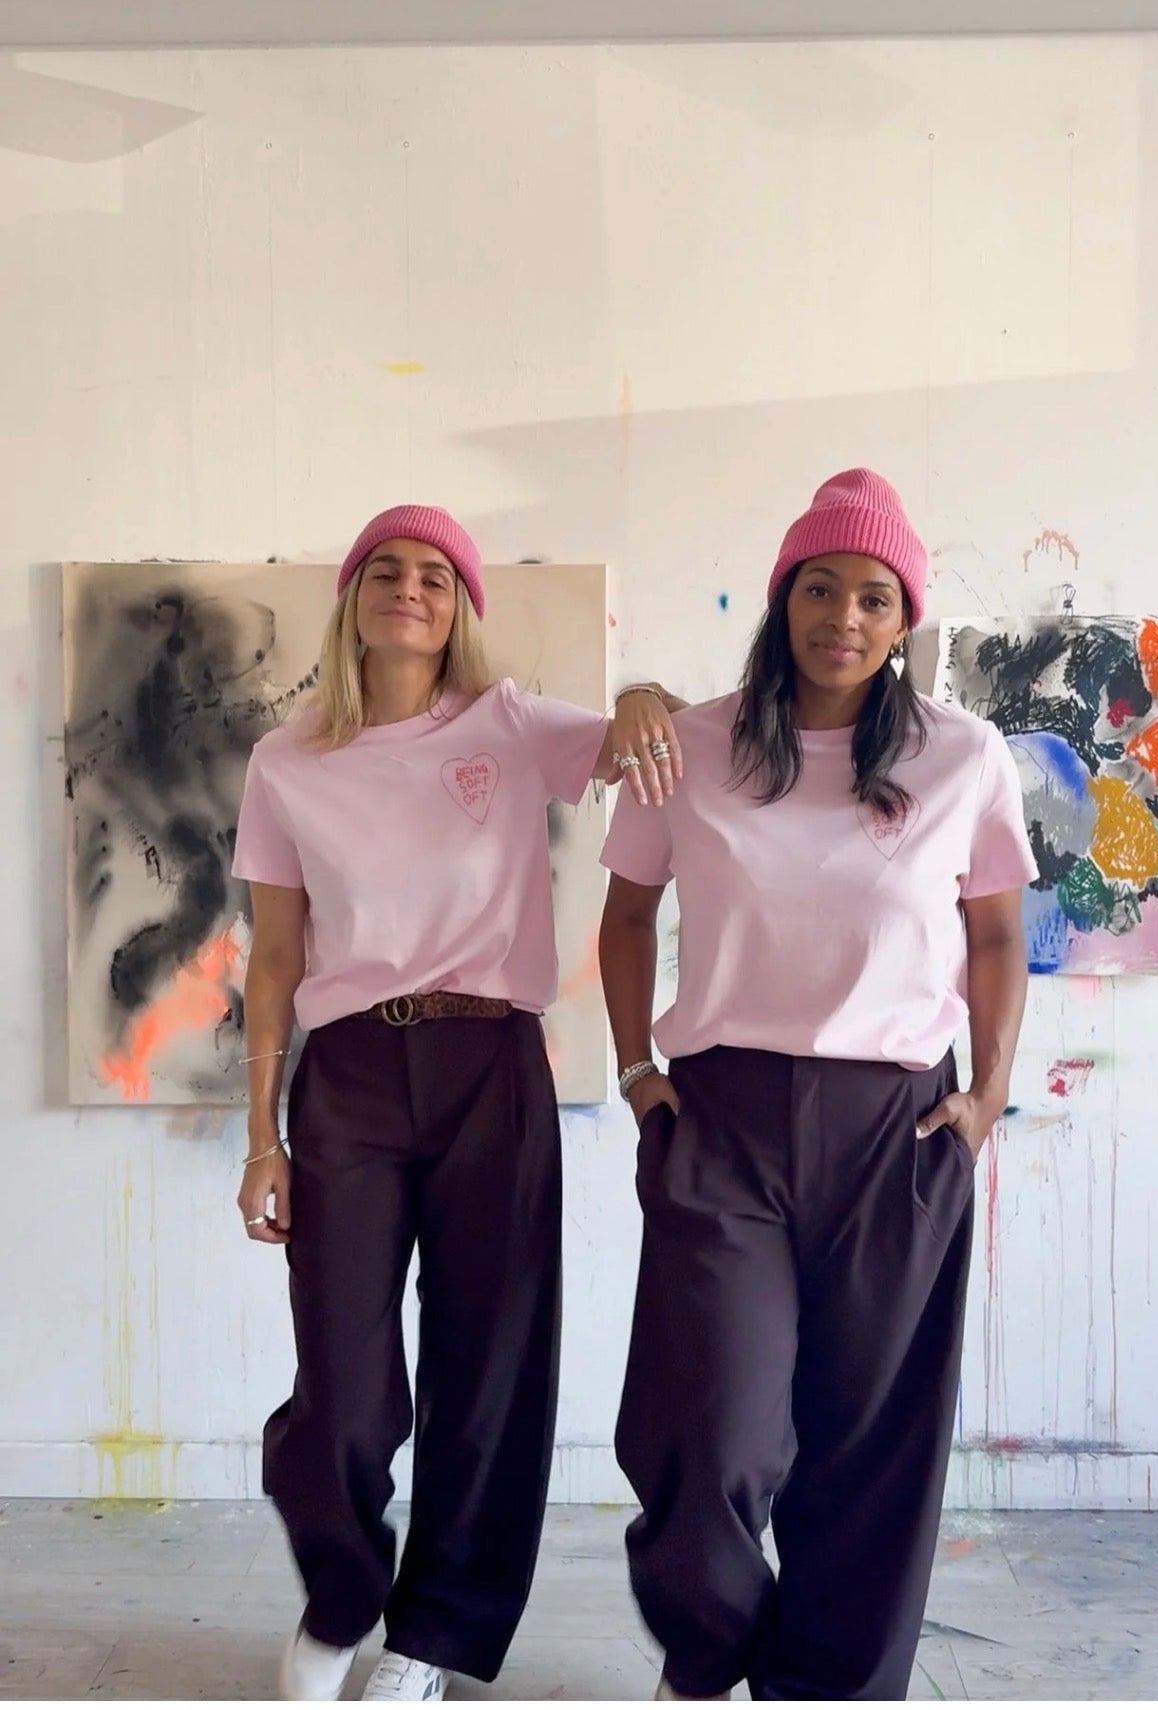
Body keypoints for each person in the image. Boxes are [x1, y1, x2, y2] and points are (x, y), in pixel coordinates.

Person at [598, 469, 1037, 1702]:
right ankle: (711, 1654)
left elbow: (997, 936)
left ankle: (830, 1687)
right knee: (708, 1427)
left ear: (904, 621)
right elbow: (626, 917)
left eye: (874, 596)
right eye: (821, 587)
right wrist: (634, 1071)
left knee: (870, 1446)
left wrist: (988, 1094)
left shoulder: (962, 756)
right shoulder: (692, 746)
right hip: (722, 1119)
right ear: (784, 596)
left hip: (897, 1128)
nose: (844, 615)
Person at [231, 503, 681, 1703]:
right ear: (353, 598)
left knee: (490, 1368)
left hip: (493, 1063)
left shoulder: (509, 724)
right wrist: (262, 1138)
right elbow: (271, 961)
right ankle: (341, 1599)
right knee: (342, 1385)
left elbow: (641, 743)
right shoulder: (286, 763)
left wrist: (642, 691)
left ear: (460, 606)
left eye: (436, 574)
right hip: (351, 1075)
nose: (410, 587)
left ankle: (431, 1640)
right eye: (387, 569)